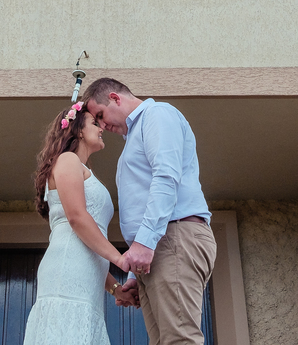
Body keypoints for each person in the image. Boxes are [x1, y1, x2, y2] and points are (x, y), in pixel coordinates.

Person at [84, 78, 216, 345]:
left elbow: (166, 176)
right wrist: (134, 272)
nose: (103, 125)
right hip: (158, 247)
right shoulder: (133, 138)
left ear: (115, 98)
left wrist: (144, 243)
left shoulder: (157, 114)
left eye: (100, 115)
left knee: (180, 340)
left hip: (174, 237)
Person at [23, 102, 136, 345]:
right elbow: (77, 217)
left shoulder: (81, 168)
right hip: (67, 269)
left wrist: (116, 288)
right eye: (95, 123)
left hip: (87, 278)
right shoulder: (67, 160)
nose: (101, 128)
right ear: (78, 131)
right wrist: (120, 259)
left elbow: (90, 242)